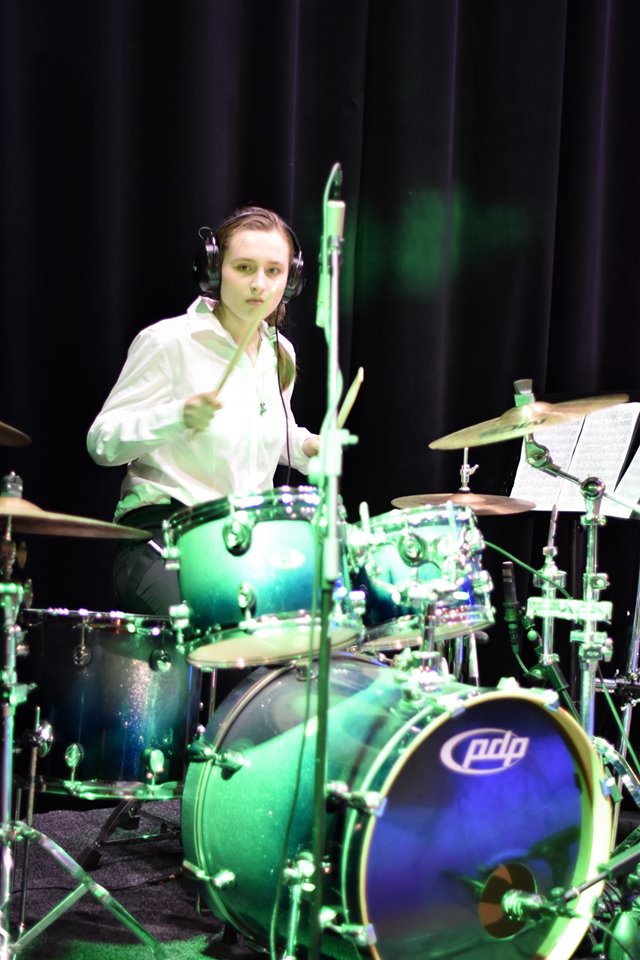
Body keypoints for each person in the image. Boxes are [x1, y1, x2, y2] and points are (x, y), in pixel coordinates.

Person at [87, 206, 320, 618]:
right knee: (212, 623)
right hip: (164, 537)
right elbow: (102, 442)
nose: (259, 284)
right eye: (244, 268)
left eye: (274, 271)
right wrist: (177, 417)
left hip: (243, 542)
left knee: (309, 620)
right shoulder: (169, 342)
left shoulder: (278, 352)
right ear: (214, 271)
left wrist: (306, 446)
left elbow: (273, 428)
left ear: (291, 280)